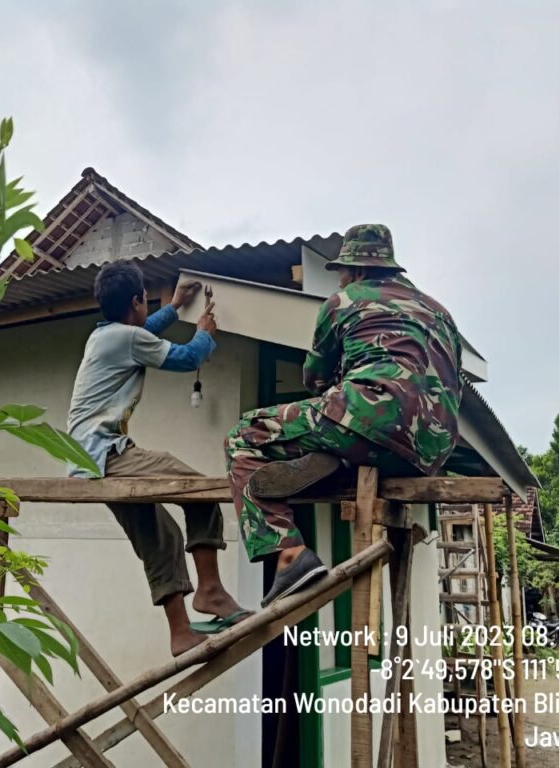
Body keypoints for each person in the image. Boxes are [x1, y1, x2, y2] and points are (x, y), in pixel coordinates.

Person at [225, 224, 464, 606]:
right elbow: (454, 381)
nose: (340, 277)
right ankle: (336, 457)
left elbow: (315, 377)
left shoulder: (343, 301)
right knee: (348, 432)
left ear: (355, 269)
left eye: (342, 271)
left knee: (244, 434)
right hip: (431, 449)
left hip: (366, 416)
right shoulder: (440, 312)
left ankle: (288, 552)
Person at [68, 261, 249, 656]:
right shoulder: (122, 339)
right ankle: (211, 591)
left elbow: (142, 334)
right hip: (107, 453)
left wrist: (174, 307)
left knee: (160, 537)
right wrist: (203, 334)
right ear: (136, 301)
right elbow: (185, 358)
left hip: (87, 459)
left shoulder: (106, 337)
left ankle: (181, 632)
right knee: (199, 489)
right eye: (145, 302)